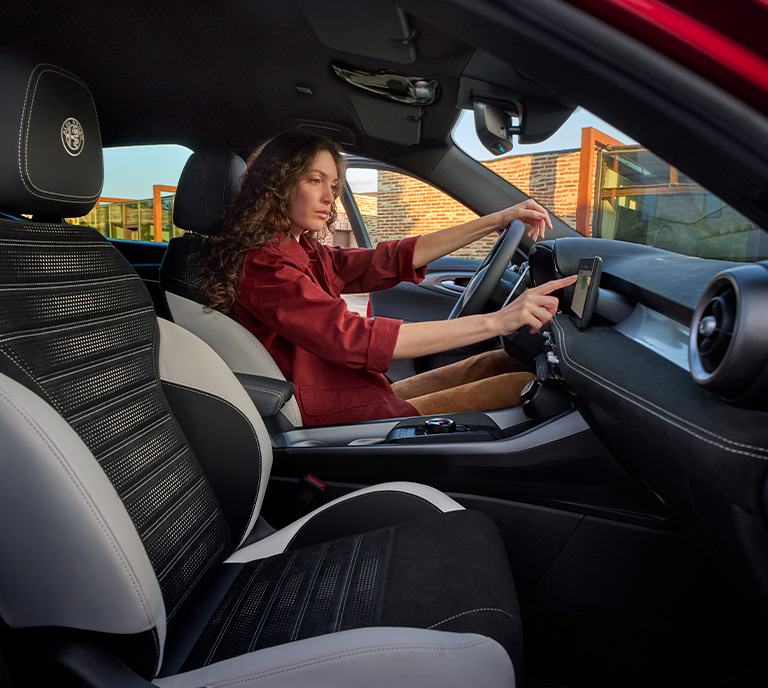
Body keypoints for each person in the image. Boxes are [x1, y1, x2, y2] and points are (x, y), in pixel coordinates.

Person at [200, 131, 576, 427]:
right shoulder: (266, 266)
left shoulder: (307, 252)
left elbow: (388, 259)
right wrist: (498, 320)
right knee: (520, 387)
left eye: (333, 185)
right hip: (330, 411)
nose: (330, 197)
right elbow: (354, 338)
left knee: (502, 362)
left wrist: (495, 220)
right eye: (315, 180)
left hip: (347, 386)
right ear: (277, 183)